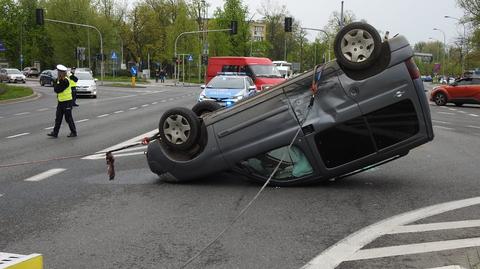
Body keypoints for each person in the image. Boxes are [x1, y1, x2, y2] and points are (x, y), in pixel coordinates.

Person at [47, 64, 77, 138]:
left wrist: (55, 83)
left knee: (68, 118)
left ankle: (73, 132)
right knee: (58, 118)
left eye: (58, 72)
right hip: (61, 102)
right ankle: (55, 133)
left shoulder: (65, 81)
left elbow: (57, 90)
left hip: (67, 102)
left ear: (61, 73)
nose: (57, 73)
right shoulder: (60, 80)